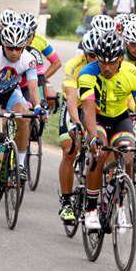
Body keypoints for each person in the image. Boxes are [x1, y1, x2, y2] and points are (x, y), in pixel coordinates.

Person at [78, 31, 136, 230]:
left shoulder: (132, 74)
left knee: (128, 157)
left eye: (112, 62)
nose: (106, 67)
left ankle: (120, 205)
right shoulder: (87, 72)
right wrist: (93, 138)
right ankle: (91, 209)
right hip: (96, 118)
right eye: (102, 62)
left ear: (121, 59)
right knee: (101, 152)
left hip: (121, 118)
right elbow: (87, 109)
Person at [0, 24, 47, 198]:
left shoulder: (28, 59)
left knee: (25, 117)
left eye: (18, 48)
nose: (14, 52)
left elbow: (33, 87)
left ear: (24, 46)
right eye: (10, 47)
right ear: (3, 44)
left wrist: (37, 105)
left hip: (10, 93)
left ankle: (20, 166)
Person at [58, 29, 101, 222]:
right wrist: (75, 122)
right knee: (69, 150)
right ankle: (66, 203)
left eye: (97, 54)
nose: (94, 58)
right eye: (90, 54)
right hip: (74, 106)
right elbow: (71, 97)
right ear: (84, 52)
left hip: (95, 108)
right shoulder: (74, 65)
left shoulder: (108, 66)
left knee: (101, 148)